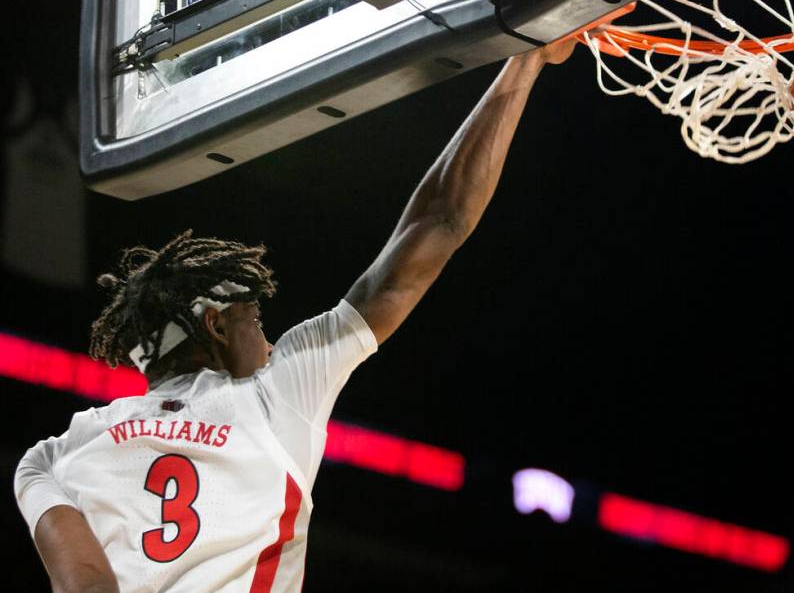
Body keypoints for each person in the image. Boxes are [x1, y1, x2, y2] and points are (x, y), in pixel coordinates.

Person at [14, 40, 575, 593]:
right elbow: (438, 220)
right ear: (216, 325)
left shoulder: (53, 454)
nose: (269, 339)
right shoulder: (275, 392)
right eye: (255, 319)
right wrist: (525, 57)